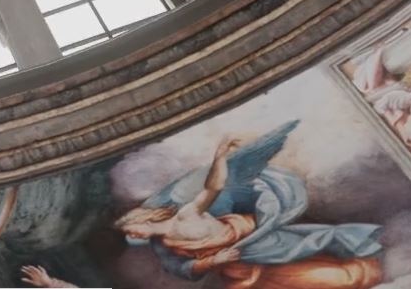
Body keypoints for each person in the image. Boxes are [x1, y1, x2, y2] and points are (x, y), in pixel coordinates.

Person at [118, 123, 386, 286]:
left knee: (341, 272)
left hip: (264, 243)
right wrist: (214, 260)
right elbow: (184, 270)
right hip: (243, 269)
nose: (133, 235)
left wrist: (220, 158)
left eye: (132, 228)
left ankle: (371, 264)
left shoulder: (187, 213)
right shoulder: (165, 246)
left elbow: (213, 187)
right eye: (130, 233)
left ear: (143, 218)